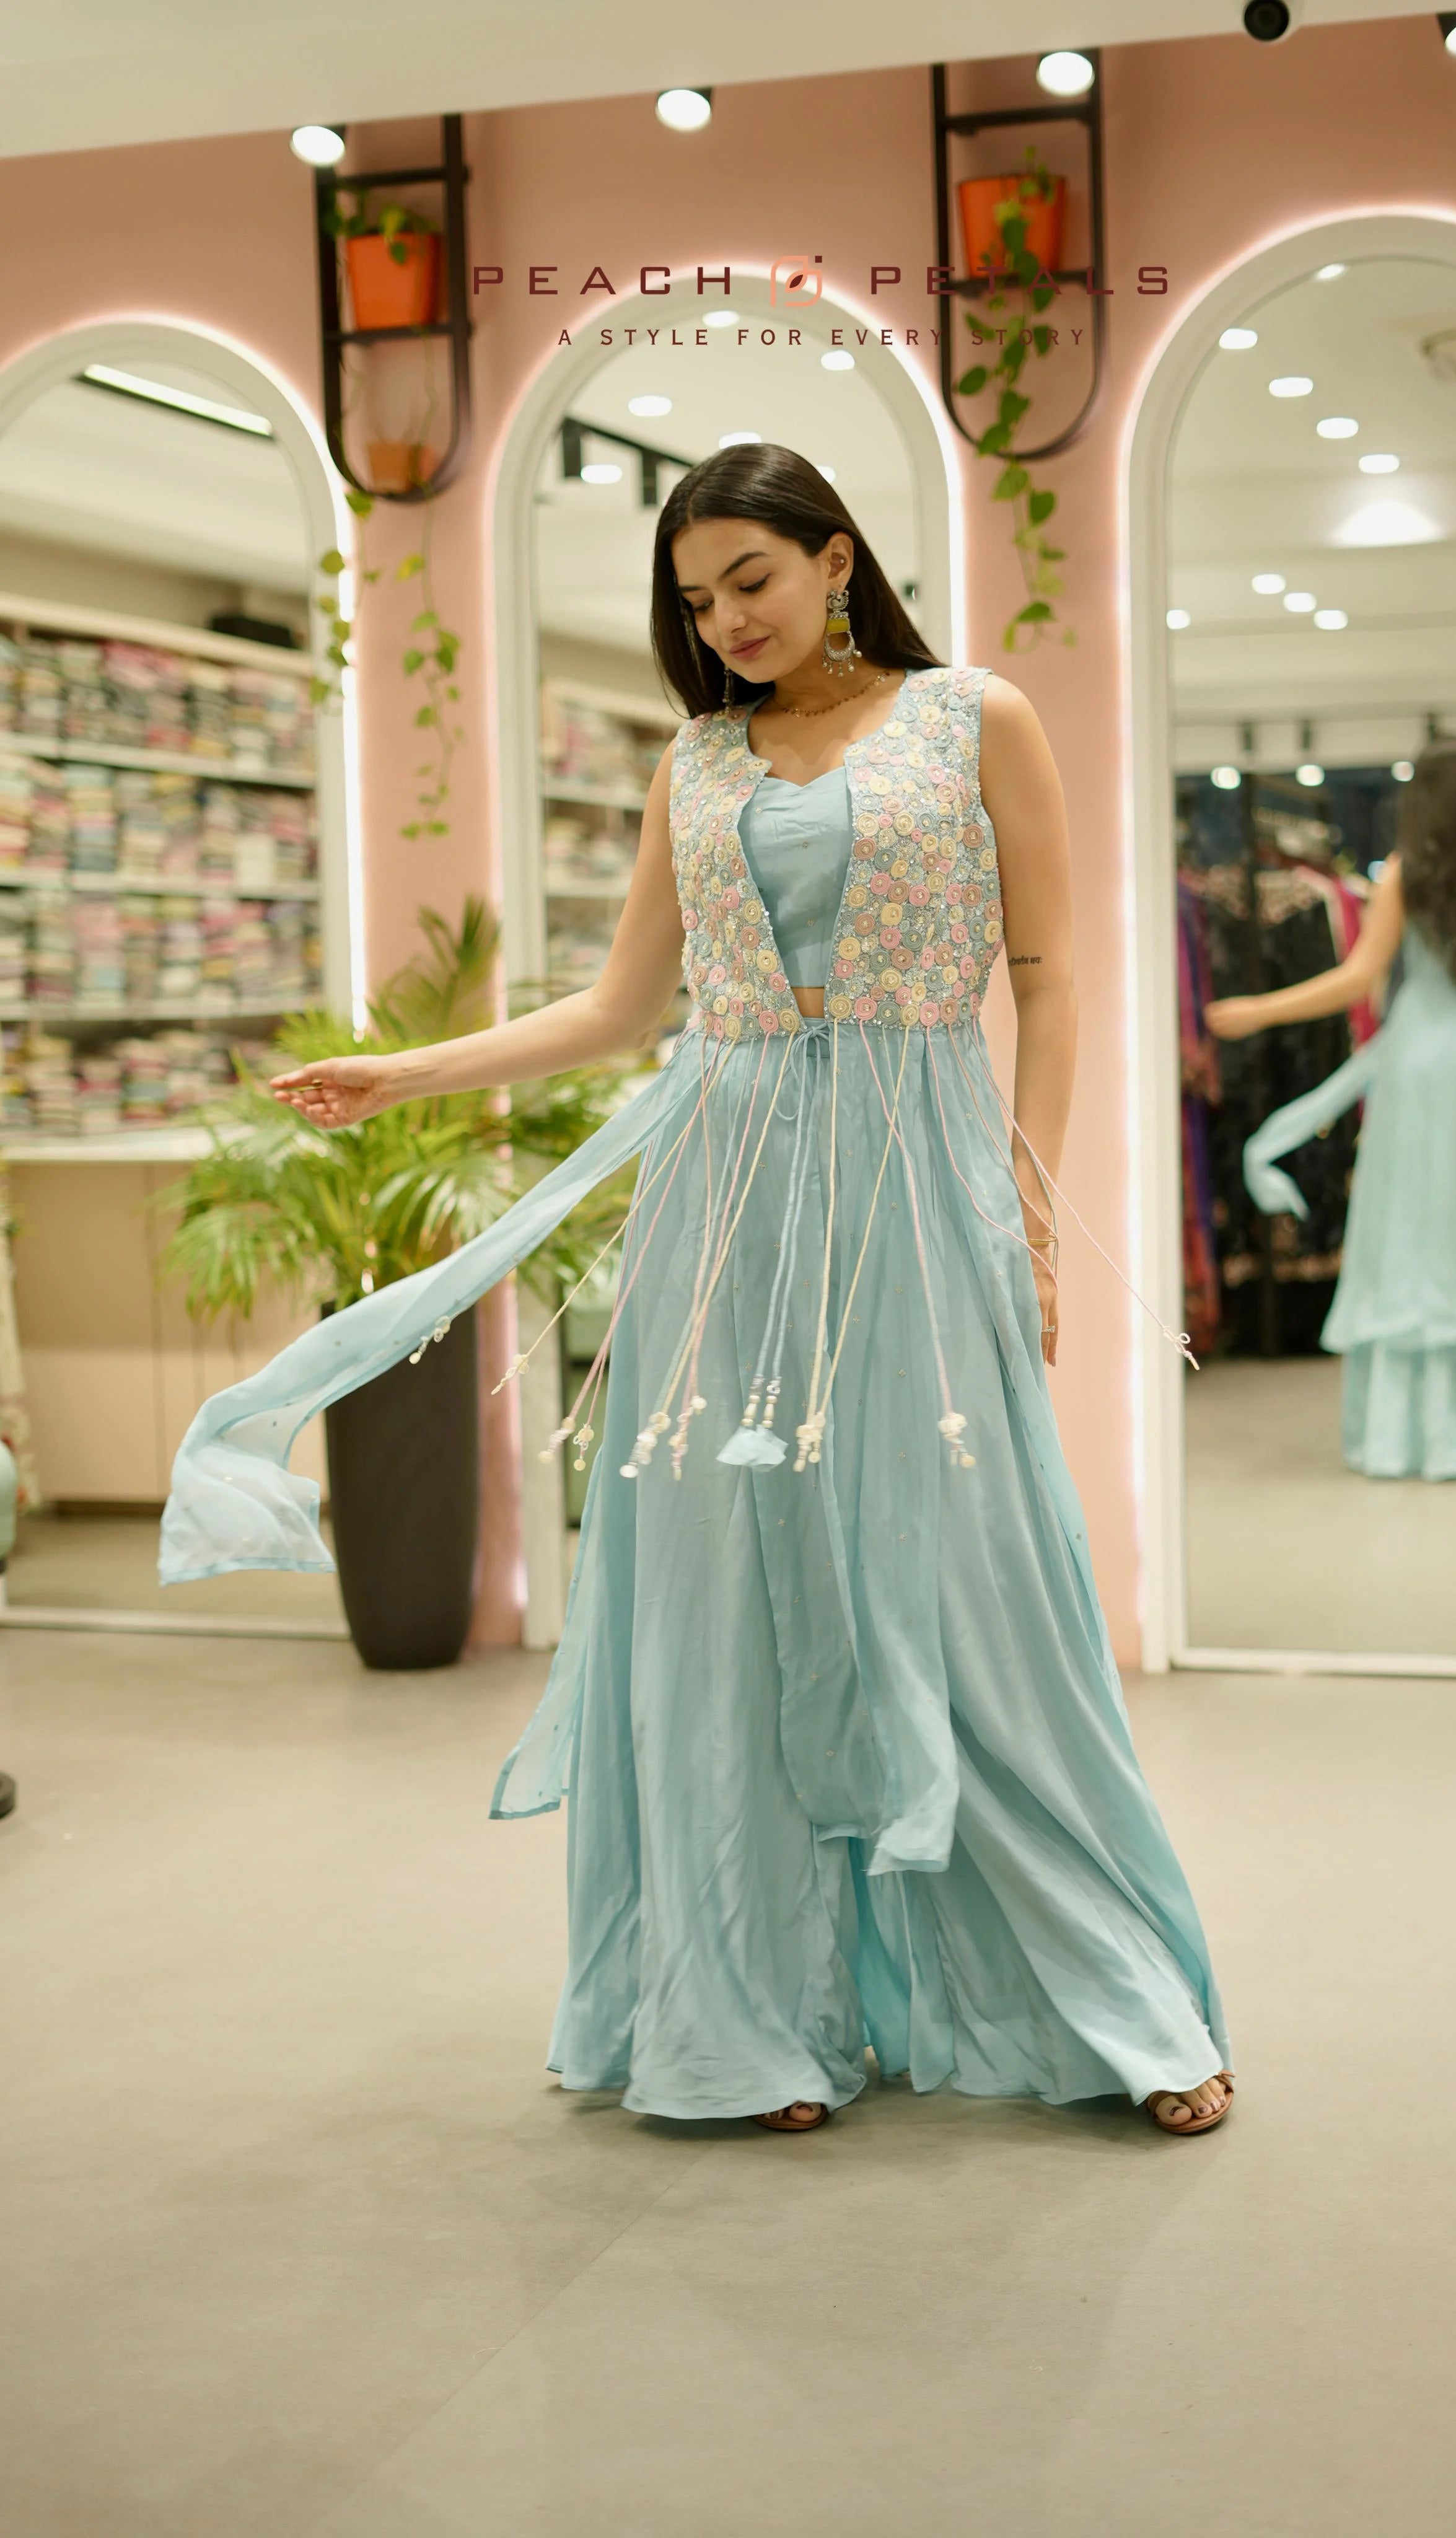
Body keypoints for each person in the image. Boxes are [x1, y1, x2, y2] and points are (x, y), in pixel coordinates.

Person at [160, 444, 1232, 2138]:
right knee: (725, 1608)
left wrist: (1023, 1205)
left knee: (975, 1591)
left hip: (913, 1176)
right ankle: (742, 2013)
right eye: (692, 598)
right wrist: (405, 1072)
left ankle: (1115, 2001)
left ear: (832, 559)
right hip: (725, 1199)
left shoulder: (975, 719)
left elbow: (1047, 972)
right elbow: (613, 1011)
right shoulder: (694, 765)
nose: (724, 620)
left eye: (749, 580)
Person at [1206, 745, 1456, 1488]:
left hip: (1421, 1070)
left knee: (1418, 1234)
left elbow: (1360, 977)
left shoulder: (1408, 866)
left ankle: (1415, 1439)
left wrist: (1257, 1010)